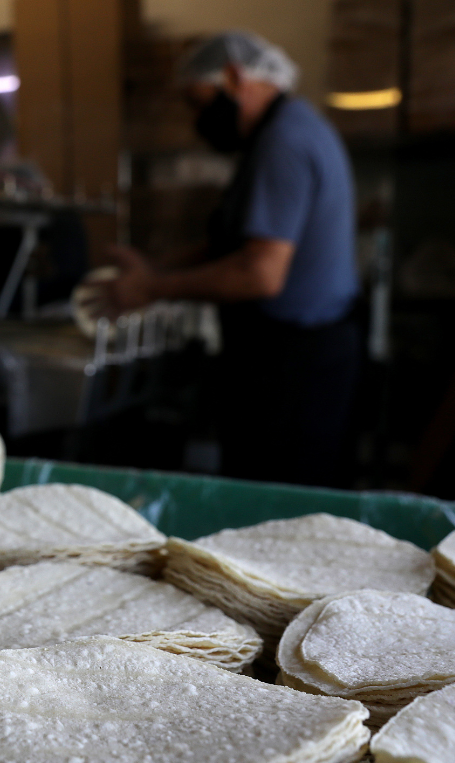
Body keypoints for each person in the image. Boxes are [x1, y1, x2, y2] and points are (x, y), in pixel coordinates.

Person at [93, 31, 360, 487]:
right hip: (290, 356)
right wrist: (155, 269)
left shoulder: (284, 142)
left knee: (277, 505)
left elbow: (259, 273)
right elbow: (234, 247)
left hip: (293, 365)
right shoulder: (285, 131)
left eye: (199, 103)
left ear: (235, 78)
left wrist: (153, 289)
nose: (198, 119)